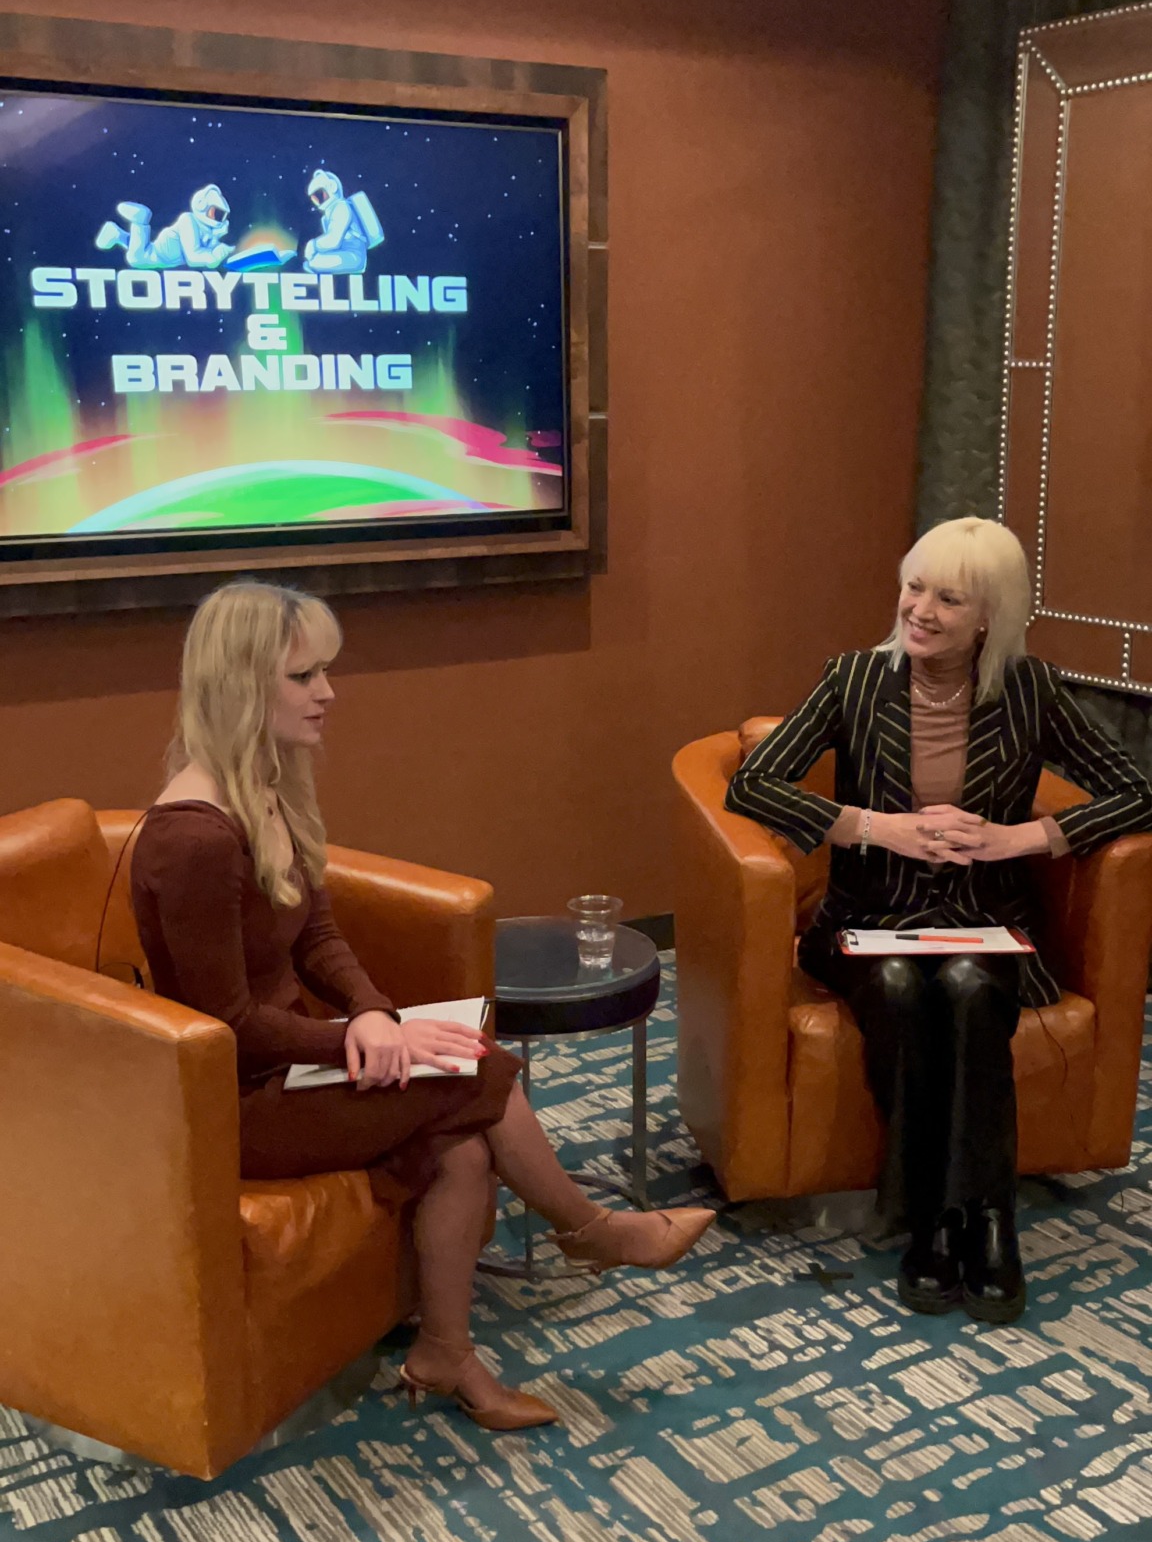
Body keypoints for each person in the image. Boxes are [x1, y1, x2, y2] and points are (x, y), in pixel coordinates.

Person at [131, 581, 713, 1432]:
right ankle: (592, 1230)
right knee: (477, 1065)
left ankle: (446, 1353)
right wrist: (358, 1040)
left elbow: (316, 934)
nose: (328, 693)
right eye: (304, 676)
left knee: (463, 1152)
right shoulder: (194, 838)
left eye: (325, 672)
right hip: (234, 1103)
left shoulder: (264, 785)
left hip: (290, 1065)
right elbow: (230, 1024)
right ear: (242, 686)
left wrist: (373, 1012)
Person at [726, 517, 1152, 1325]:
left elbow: (1138, 790)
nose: (919, 610)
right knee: (895, 982)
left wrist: (1020, 838)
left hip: (984, 920)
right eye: (913, 587)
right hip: (868, 917)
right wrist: (871, 826)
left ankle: (982, 1221)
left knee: (965, 985)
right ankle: (939, 1214)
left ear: (990, 615)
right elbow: (753, 784)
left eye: (948, 599)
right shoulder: (853, 679)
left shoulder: (1030, 689)